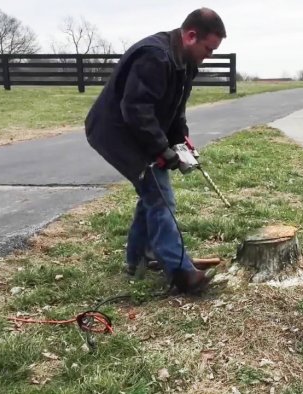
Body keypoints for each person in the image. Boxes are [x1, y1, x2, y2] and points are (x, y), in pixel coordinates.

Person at [84, 8, 226, 294]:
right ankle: (180, 272)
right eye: (208, 48)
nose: (208, 55)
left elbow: (175, 108)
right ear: (190, 35)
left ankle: (137, 260)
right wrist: (161, 149)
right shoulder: (155, 56)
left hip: (139, 130)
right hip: (116, 133)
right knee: (161, 198)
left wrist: (180, 140)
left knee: (152, 194)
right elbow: (135, 109)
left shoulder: (186, 64)